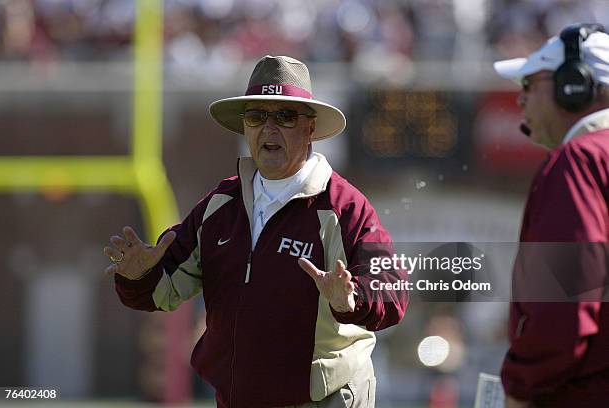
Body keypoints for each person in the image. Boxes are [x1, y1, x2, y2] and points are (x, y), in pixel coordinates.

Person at [104, 55, 408, 408]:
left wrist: (351, 299)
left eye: (285, 116)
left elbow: (393, 291)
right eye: (257, 116)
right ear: (245, 128)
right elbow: (164, 292)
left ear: (310, 127)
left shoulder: (344, 207)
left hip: (326, 399)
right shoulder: (220, 206)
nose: (269, 128)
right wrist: (139, 276)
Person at [494, 24, 609, 407]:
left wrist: (521, 389)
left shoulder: (580, 160)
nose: (521, 100)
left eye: (529, 85)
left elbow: (564, 308)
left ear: (572, 85)